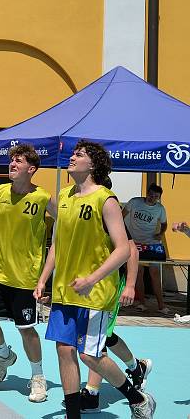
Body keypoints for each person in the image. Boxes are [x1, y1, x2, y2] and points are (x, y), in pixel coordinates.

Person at [34, 140, 156, 419]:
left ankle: (137, 398)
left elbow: (124, 249)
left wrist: (93, 278)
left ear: (93, 164)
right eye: (73, 152)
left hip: (96, 291)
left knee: (90, 355)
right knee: (65, 351)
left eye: (80, 154)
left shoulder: (106, 199)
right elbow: (56, 244)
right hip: (66, 290)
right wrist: (43, 279)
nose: (73, 156)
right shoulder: (63, 196)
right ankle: (73, 415)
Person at [0, 144, 50, 403]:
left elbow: (65, 224)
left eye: (18, 162)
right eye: (12, 161)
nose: (12, 164)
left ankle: (38, 377)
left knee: (26, 329)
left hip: (25, 277)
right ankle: (4, 355)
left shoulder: (43, 198)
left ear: (31, 169)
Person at [75, 178, 153, 413]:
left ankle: (92, 393)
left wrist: (130, 285)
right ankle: (136, 366)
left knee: (96, 341)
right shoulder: (80, 209)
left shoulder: (108, 209)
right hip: (87, 285)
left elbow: (131, 250)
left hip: (108, 285)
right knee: (104, 337)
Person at [123, 184, 169, 313]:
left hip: (151, 243)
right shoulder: (135, 202)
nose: (152, 198)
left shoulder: (160, 209)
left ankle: (161, 305)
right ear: (147, 193)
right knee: (138, 273)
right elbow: (121, 216)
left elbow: (164, 224)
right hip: (134, 242)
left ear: (159, 198)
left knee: (154, 273)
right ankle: (142, 303)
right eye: (150, 195)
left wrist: (161, 233)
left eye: (155, 197)